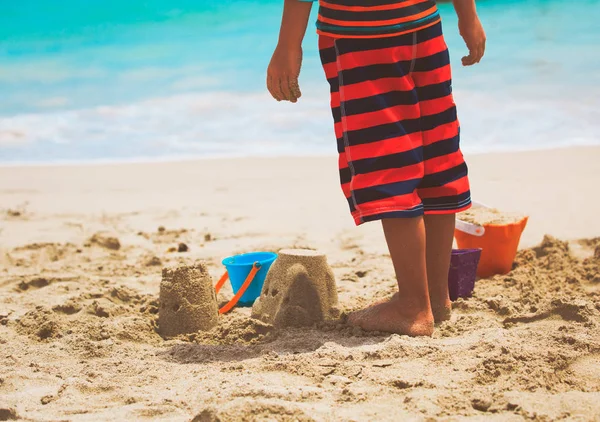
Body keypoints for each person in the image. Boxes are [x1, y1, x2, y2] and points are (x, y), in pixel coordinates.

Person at [266, 0, 486, 336]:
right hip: (422, 25)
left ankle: (413, 306)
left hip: (362, 35)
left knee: (387, 162)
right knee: (435, 156)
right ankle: (436, 297)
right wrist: (468, 15)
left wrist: (287, 44)